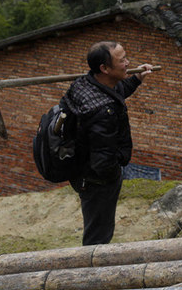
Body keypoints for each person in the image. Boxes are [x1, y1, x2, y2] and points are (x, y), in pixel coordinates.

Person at [63, 41, 153, 246]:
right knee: (98, 237)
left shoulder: (85, 84)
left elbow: (117, 91)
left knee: (97, 228)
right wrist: (115, 174)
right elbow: (103, 163)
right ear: (104, 68)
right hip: (97, 181)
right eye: (122, 61)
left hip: (83, 171)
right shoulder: (102, 112)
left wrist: (137, 78)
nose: (128, 64)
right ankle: (93, 272)